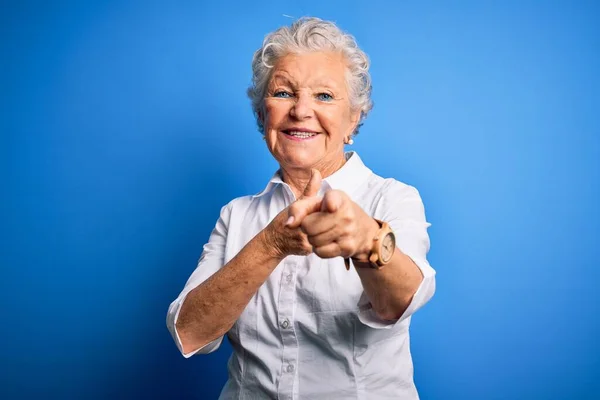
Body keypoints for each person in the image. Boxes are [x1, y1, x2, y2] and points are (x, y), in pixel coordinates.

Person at [167, 16, 436, 399]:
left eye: (324, 96)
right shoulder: (237, 215)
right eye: (283, 93)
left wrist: (367, 240)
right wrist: (270, 244)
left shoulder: (392, 198)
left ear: (354, 118)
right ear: (263, 116)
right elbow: (189, 332)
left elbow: (399, 303)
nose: (301, 110)